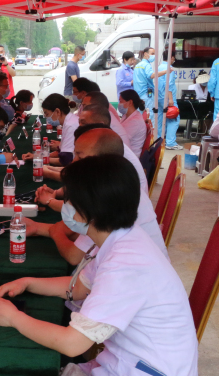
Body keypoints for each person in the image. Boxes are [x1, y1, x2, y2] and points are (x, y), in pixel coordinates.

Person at [0, 155, 198, 376]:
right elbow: (79, 288)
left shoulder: (126, 263)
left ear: (87, 212)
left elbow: (73, 344)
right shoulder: (121, 239)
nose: (64, 205)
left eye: (68, 199)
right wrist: (28, 282)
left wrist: (14, 318)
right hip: (147, 368)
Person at [40, 127, 166, 261]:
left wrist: (55, 232)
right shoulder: (115, 182)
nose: (73, 162)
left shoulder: (111, 196)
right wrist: (39, 228)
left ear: (101, 161)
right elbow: (81, 229)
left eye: (80, 156)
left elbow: (73, 256)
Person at [42, 94, 79, 167]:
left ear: (57, 111)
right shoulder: (69, 120)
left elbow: (66, 160)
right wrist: (39, 156)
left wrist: (40, 159)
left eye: (47, 114)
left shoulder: (71, 126)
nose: (46, 117)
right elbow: (63, 151)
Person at [156, 50, 182, 150]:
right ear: (171, 57)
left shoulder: (159, 67)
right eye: (174, 57)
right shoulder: (169, 69)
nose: (174, 59)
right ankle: (170, 143)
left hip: (159, 98)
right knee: (173, 119)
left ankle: (159, 142)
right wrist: (170, 99)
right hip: (167, 98)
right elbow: (169, 84)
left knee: (160, 119)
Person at [118, 89, 147, 155]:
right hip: (124, 151)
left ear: (130, 102)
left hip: (130, 155)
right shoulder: (126, 115)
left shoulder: (135, 122)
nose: (119, 104)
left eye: (120, 101)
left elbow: (120, 139)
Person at [133, 47, 155, 120]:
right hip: (146, 95)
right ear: (145, 54)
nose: (154, 56)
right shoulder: (147, 65)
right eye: (152, 54)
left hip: (138, 95)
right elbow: (151, 75)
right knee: (149, 116)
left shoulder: (137, 66)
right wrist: (164, 72)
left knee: (139, 116)